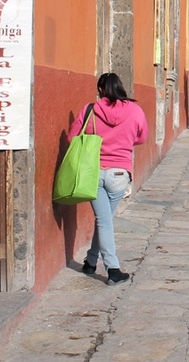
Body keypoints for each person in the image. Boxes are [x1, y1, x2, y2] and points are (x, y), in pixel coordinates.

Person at [68, 73, 148, 285]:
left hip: (93, 172)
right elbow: (142, 137)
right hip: (120, 173)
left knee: (104, 220)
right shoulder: (136, 110)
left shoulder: (90, 110)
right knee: (105, 220)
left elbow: (71, 138)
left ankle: (92, 262)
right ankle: (112, 269)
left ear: (101, 89)